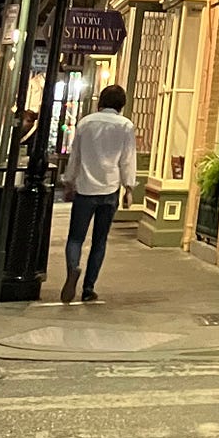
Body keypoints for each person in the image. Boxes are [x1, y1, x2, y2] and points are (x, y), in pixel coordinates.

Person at [60, 85, 137, 304]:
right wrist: (129, 188)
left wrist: (68, 182)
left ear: (100, 101)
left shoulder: (85, 123)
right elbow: (128, 159)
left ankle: (73, 268)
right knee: (99, 240)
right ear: (121, 105)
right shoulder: (125, 126)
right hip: (110, 189)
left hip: (85, 189)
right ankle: (88, 288)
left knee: (75, 238)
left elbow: (75, 156)